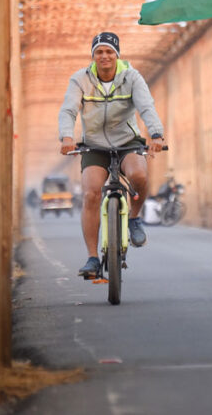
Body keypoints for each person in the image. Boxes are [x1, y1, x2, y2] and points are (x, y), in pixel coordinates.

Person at [59, 32, 166, 279]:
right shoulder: (80, 79)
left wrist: (156, 134)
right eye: (99, 52)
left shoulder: (131, 76)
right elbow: (68, 110)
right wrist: (66, 137)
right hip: (94, 144)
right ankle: (92, 258)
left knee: (139, 176)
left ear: (117, 54)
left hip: (127, 141)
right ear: (93, 56)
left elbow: (146, 106)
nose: (104, 56)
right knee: (90, 193)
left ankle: (134, 218)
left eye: (109, 51)